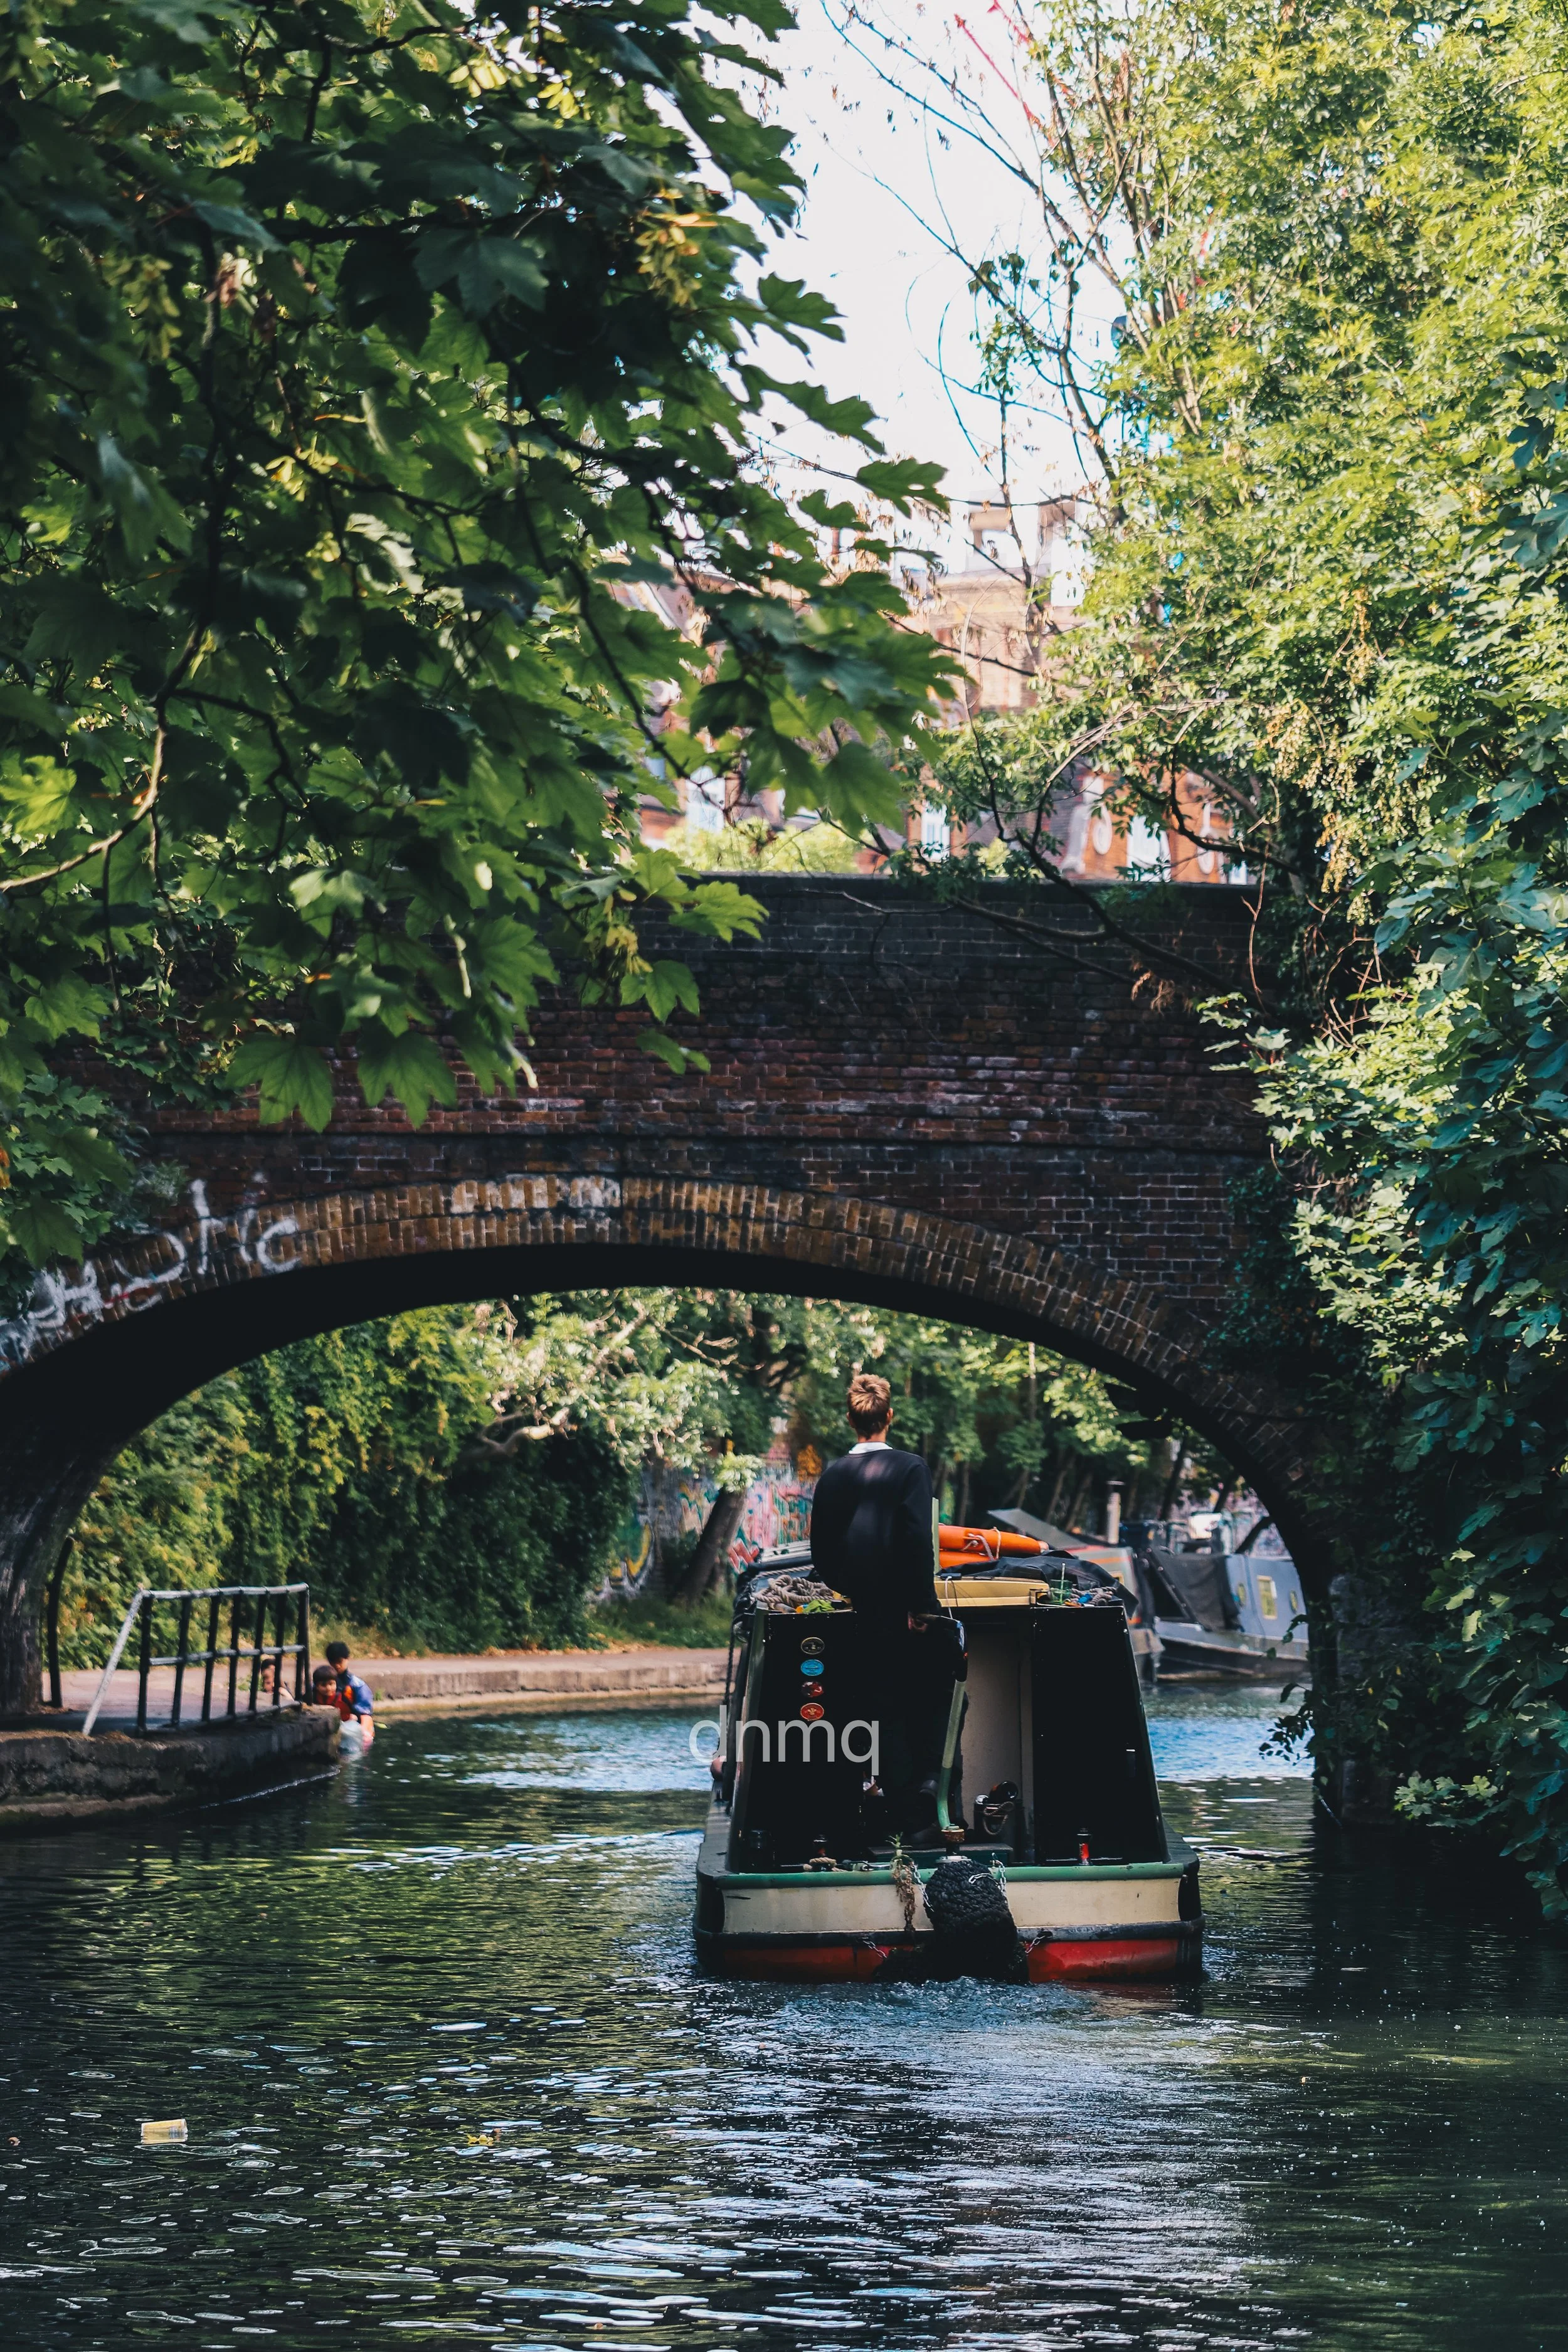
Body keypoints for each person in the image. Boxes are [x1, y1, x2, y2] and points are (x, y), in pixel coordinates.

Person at [808, 1372, 958, 1837]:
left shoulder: (833, 1475)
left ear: (850, 1419)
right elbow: (917, 1541)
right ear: (889, 1416)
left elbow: (822, 1554)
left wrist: (855, 1592)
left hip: (863, 1614)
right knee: (941, 1694)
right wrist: (922, 1607)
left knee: (881, 1711)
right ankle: (931, 1795)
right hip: (907, 1611)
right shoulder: (911, 1468)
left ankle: (895, 1815)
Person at [324, 1640, 376, 1745]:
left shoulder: (357, 1685)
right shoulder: (321, 1684)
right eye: (333, 1662)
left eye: (340, 1661)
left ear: (347, 1659)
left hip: (354, 1726)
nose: (337, 1666)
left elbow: (366, 1715)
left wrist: (363, 1734)